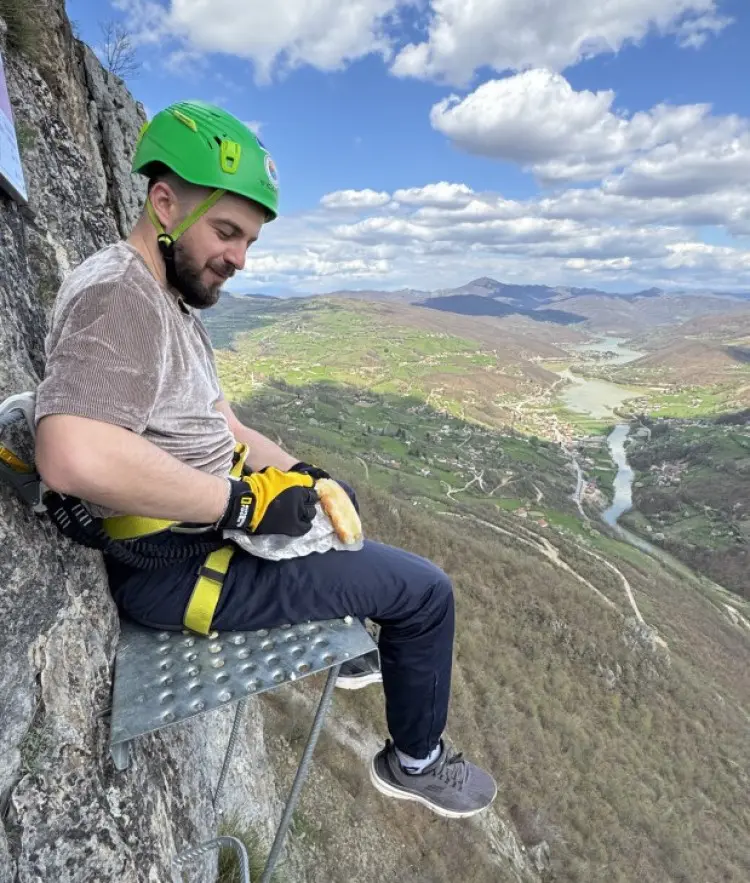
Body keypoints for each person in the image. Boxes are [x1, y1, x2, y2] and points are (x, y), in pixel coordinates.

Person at [33, 100, 497, 819]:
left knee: (338, 523)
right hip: (176, 563)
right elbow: (70, 451)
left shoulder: (167, 303)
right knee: (426, 593)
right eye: (226, 232)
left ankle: (350, 640)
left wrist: (306, 474)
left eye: (249, 240)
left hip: (201, 536)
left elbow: (227, 427)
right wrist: (242, 503)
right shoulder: (121, 295)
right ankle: (416, 760)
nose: (240, 259)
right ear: (165, 204)